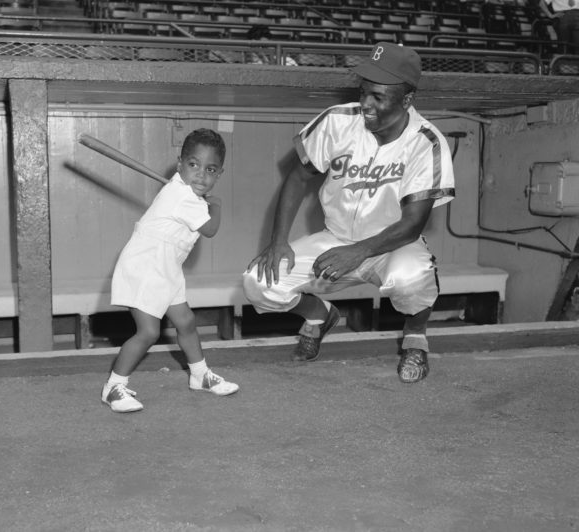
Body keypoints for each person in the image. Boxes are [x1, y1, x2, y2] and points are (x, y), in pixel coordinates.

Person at [243, 43, 455, 384]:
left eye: (378, 96)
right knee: (258, 283)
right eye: (363, 92)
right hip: (336, 237)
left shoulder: (426, 143)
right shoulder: (338, 121)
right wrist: (278, 240)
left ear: (406, 99)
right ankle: (320, 316)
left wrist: (356, 253)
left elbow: (413, 224)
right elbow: (298, 177)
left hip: (393, 244)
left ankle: (416, 337)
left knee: (412, 278)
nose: (366, 103)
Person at [102, 128, 239, 413]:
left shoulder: (187, 194)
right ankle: (113, 387)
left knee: (186, 322)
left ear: (219, 174)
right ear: (180, 165)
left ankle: (199, 375)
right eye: (193, 165)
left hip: (166, 267)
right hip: (145, 267)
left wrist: (205, 202)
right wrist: (217, 206)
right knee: (148, 332)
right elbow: (211, 229)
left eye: (210, 169)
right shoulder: (182, 197)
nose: (201, 175)